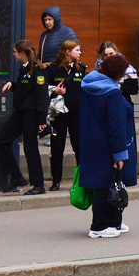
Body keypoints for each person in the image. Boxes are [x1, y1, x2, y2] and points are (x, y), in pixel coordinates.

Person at [79, 53, 137, 238]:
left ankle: (114, 222)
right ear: (119, 73)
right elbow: (116, 126)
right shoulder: (112, 93)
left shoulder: (90, 87)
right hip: (108, 145)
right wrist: (119, 154)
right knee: (107, 185)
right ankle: (99, 226)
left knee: (107, 184)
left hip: (92, 141)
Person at [0, 41, 48, 194]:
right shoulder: (24, 69)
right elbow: (24, 88)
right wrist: (12, 84)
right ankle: (17, 177)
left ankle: (39, 185)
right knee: (1, 141)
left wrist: (42, 119)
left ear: (22, 53)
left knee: (30, 148)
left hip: (31, 114)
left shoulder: (37, 70)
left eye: (15, 52)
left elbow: (41, 95)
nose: (13, 54)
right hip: (21, 113)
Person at [45, 38, 87, 192]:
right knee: (57, 147)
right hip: (59, 112)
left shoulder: (81, 69)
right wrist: (54, 90)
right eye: (77, 50)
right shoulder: (53, 69)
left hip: (76, 112)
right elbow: (44, 88)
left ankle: (82, 179)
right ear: (68, 51)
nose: (80, 52)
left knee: (78, 145)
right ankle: (56, 180)